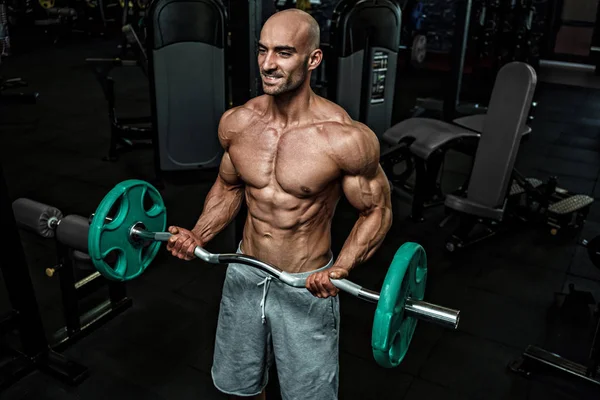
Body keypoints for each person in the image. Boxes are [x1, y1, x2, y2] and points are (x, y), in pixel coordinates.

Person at [166, 8, 392, 400]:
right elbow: (228, 187)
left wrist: (341, 268)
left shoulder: (344, 139)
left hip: (306, 284)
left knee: (307, 395)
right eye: (262, 50)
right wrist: (198, 236)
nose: (268, 65)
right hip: (244, 272)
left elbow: (377, 210)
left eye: (284, 53)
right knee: (240, 386)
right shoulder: (238, 123)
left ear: (313, 59)